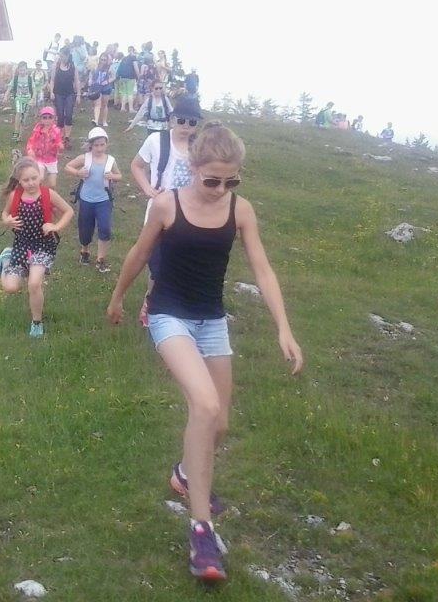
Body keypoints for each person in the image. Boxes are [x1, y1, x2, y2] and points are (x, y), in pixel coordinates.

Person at [107, 123, 304, 583]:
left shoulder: (240, 210)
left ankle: (184, 473)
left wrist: (284, 327)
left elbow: (263, 270)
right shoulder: (167, 205)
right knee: (206, 405)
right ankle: (201, 532)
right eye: (212, 180)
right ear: (193, 168)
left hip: (212, 321)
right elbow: (139, 254)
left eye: (231, 181)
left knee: (220, 425)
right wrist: (117, 298)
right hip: (168, 315)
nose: (220, 189)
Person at [131, 96, 203, 326]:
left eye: (192, 122)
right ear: (172, 119)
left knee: (182, 261)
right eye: (181, 120)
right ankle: (150, 304)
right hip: (159, 212)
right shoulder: (157, 140)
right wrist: (148, 189)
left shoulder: (200, 148)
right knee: (157, 263)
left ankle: (176, 306)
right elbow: (137, 165)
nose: (186, 126)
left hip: (190, 213)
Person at [0, 157, 74, 338]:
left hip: (43, 245)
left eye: (34, 178)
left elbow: (69, 211)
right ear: (19, 181)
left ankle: (36, 323)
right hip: (21, 245)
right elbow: (5, 213)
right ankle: (5, 261)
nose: (31, 183)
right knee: (11, 288)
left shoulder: (48, 194)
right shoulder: (15, 196)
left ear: (40, 175)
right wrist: (7, 220)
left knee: (34, 283)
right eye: (26, 180)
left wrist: (56, 226)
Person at [64, 126, 122, 273]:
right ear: (90, 145)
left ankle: (101, 259)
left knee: (105, 228)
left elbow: (119, 175)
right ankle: (85, 251)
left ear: (106, 144)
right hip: (86, 200)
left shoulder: (110, 160)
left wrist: (113, 177)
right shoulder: (85, 158)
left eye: (102, 144)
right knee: (85, 228)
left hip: (104, 200)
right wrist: (78, 173)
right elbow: (67, 167)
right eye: (96, 145)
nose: (99, 148)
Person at [26, 106, 64, 189]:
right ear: (41, 119)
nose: (47, 120)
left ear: (54, 119)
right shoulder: (37, 130)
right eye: (44, 117)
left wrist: (60, 146)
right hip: (39, 158)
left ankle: (49, 194)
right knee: (40, 178)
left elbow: (59, 142)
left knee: (52, 184)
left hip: (51, 159)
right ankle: (38, 192)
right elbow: (31, 142)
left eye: (50, 117)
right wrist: (30, 149)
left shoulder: (56, 131)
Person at [50, 47, 81, 149]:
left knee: (68, 115)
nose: (61, 58)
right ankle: (60, 137)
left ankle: (67, 137)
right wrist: (51, 92)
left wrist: (78, 94)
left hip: (69, 94)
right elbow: (52, 80)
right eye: (60, 56)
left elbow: (77, 81)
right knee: (60, 116)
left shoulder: (73, 66)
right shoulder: (56, 66)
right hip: (58, 93)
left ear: (67, 56)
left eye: (63, 56)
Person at [3, 61, 35, 141]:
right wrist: (6, 96)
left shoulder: (29, 79)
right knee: (18, 112)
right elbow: (9, 88)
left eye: (24, 70)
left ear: (26, 70)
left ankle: (20, 135)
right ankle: (16, 132)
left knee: (23, 118)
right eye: (20, 70)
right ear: (18, 70)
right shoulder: (16, 78)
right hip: (18, 98)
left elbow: (34, 90)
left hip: (27, 100)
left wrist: (33, 99)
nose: (22, 72)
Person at [87, 53, 115, 128]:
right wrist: (90, 80)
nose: (103, 61)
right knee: (97, 104)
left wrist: (107, 81)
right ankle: (96, 120)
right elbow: (91, 74)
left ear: (107, 60)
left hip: (106, 88)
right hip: (96, 87)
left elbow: (113, 77)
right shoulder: (96, 66)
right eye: (101, 59)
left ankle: (104, 121)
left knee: (104, 104)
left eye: (104, 60)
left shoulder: (110, 68)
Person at [115, 47, 139, 113]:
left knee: (124, 93)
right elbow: (136, 67)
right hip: (130, 77)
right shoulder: (133, 57)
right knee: (130, 93)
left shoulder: (124, 58)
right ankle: (131, 109)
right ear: (133, 51)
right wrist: (139, 76)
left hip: (122, 77)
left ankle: (123, 108)